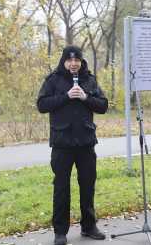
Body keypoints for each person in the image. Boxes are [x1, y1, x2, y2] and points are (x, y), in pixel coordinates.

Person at [37, 45, 108, 245]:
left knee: (87, 185)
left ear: (81, 61)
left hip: (86, 142)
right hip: (62, 144)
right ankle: (60, 232)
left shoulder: (89, 79)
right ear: (64, 61)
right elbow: (42, 105)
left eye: (77, 60)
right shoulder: (53, 80)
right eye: (69, 60)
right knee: (61, 188)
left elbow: (103, 105)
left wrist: (85, 97)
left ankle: (89, 226)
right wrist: (66, 96)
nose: (73, 64)